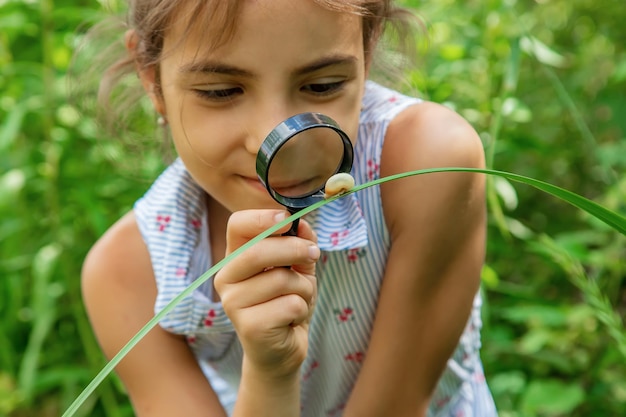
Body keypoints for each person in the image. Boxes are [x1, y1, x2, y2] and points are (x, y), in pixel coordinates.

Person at [81, 1, 497, 416]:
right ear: (152, 79)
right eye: (220, 91)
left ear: (367, 54)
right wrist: (270, 374)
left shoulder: (425, 165)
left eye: (322, 85)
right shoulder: (129, 274)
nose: (275, 141)